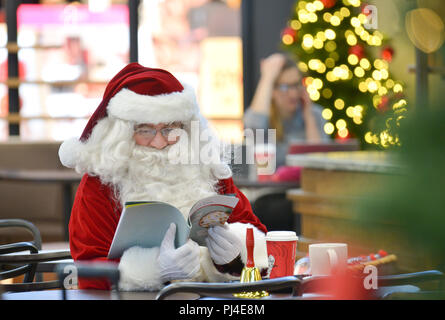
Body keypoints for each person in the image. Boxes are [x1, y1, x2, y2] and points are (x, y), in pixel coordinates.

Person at [59, 63, 268, 291]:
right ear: (123, 132)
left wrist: (234, 256)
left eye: (169, 129)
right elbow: (87, 269)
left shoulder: (208, 168)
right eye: (145, 130)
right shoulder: (100, 183)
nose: (159, 143)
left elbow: (258, 239)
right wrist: (151, 271)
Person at [244, 53, 330, 168]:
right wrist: (267, 77)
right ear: (272, 90)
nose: (293, 94)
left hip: (303, 184)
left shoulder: (315, 114)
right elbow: (253, 126)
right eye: (285, 87)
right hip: (268, 184)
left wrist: (309, 117)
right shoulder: (264, 116)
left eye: (296, 85)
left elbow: (320, 160)